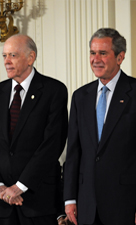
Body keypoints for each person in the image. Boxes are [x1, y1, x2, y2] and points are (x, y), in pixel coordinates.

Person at [63, 28, 136, 225]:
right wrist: (70, 199)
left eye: (103, 53)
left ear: (120, 57)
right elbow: (74, 152)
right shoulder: (80, 96)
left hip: (127, 204)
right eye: (92, 53)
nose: (95, 59)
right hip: (87, 205)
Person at [0, 34, 68, 225]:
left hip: (37, 201)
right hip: (2, 202)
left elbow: (53, 144)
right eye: (4, 56)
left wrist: (20, 186)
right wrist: (1, 186)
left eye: (12, 55)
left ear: (31, 58)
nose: (6, 61)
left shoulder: (54, 91)